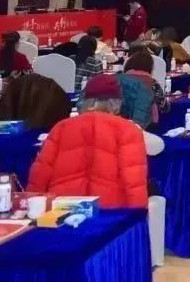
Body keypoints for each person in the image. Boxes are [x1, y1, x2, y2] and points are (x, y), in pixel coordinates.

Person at [27, 74, 155, 207]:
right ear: (116, 102)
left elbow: (41, 172)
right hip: (109, 210)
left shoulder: (61, 127)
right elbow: (134, 180)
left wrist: (31, 203)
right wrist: (138, 213)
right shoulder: (129, 130)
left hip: (64, 208)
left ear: (86, 100)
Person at [122, 50, 169, 125]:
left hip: (120, 123)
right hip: (145, 125)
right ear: (149, 67)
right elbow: (164, 106)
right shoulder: (152, 83)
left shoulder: (119, 80)